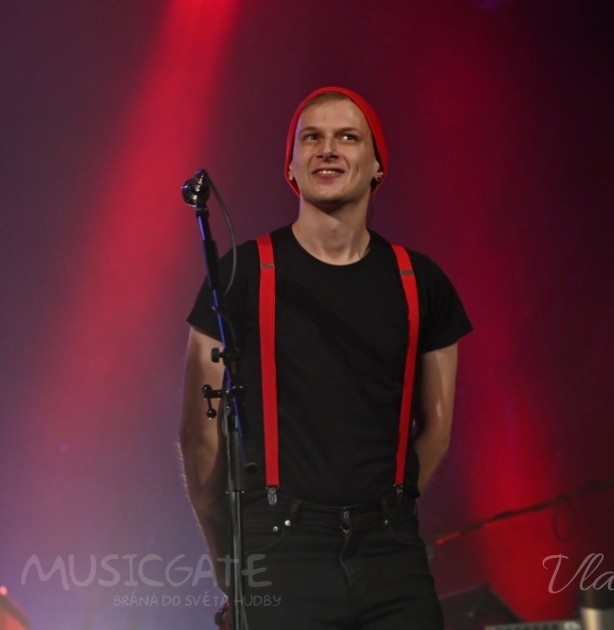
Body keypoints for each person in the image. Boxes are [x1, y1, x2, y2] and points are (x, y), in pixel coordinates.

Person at [179, 86, 472, 628]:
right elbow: (200, 439)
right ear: (290, 166)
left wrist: (388, 508)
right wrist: (231, 559)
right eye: (311, 137)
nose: (327, 149)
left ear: (378, 165)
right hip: (280, 551)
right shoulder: (242, 275)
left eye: (347, 137)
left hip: (392, 557)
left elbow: (435, 431)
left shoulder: (421, 282)